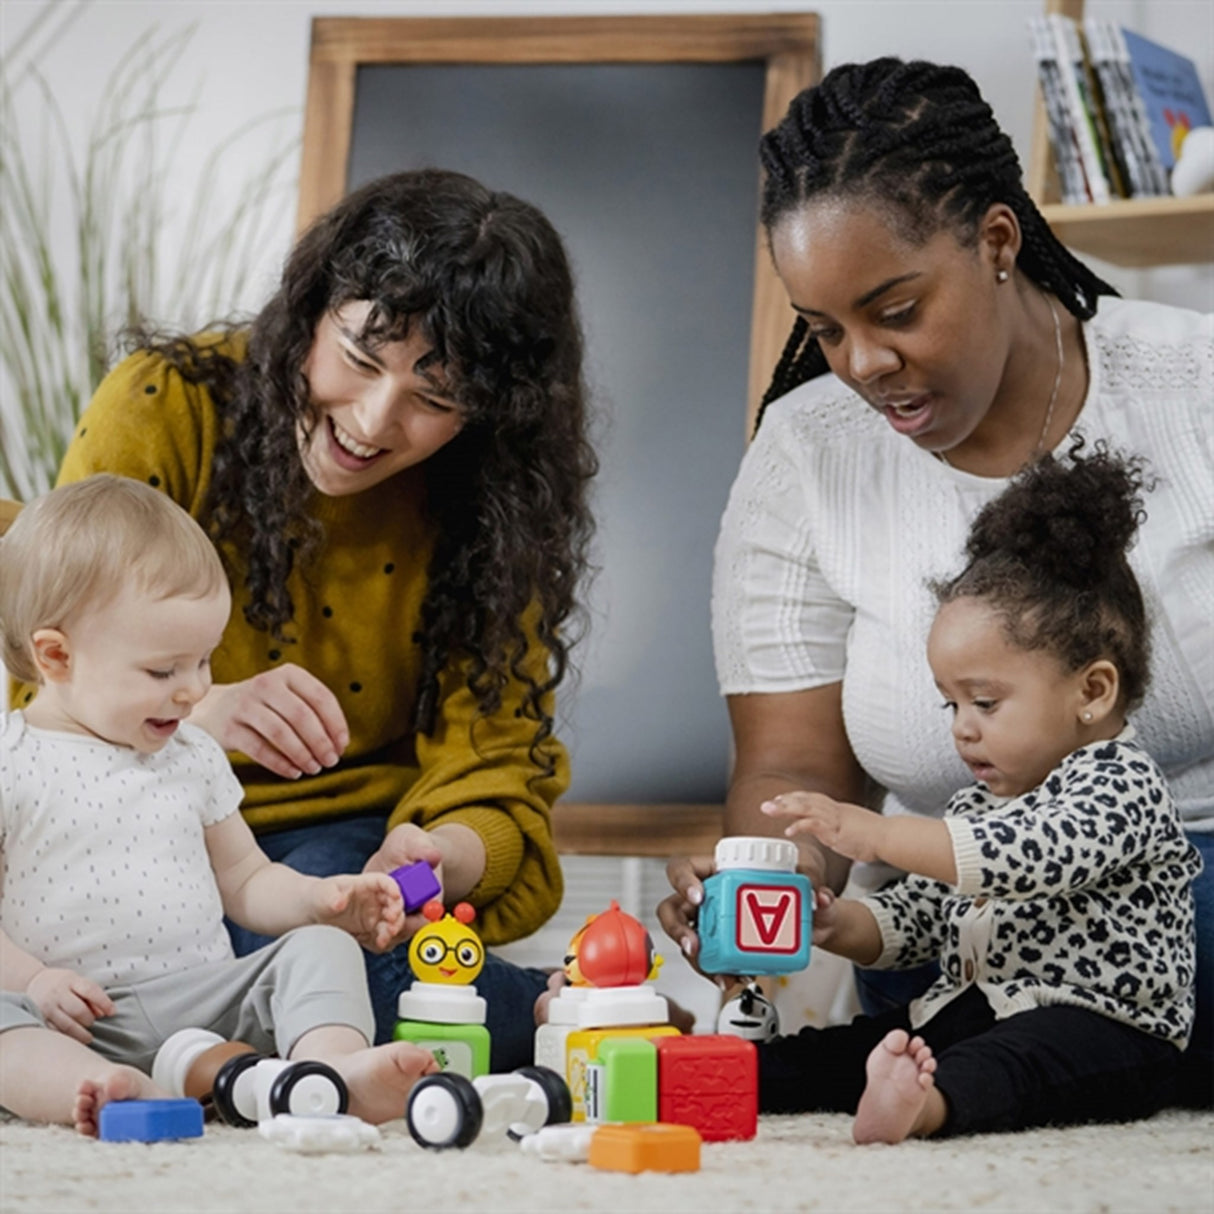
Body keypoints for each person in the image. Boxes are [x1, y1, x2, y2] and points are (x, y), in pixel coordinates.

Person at [657, 58, 1213, 1105]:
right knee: (896, 999)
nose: (861, 363)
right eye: (823, 328)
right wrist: (765, 887)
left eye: (895, 309)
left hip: (1181, 901)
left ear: (996, 241)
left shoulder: (1191, 386)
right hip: (952, 922)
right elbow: (789, 768)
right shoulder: (804, 450)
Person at [11, 169, 598, 1065]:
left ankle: (569, 1011)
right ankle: (534, 1012)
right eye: (360, 360)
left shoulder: (493, 499)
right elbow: (46, 645)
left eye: (433, 400)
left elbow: (498, 769)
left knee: (338, 947)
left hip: (339, 849)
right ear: (311, 308)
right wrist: (193, 712)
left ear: (487, 415)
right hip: (133, 823)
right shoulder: (167, 407)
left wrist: (436, 856)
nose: (372, 420)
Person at [751, 446, 1200, 1141]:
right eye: (950, 705)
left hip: (1107, 1031)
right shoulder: (976, 808)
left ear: (1093, 690)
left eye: (985, 702)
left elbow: (1025, 856)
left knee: (1009, 1064)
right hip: (976, 1010)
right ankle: (743, 1073)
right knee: (860, 1044)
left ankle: (927, 1109)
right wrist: (837, 925)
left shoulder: (1121, 786)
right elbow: (925, 915)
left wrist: (872, 835)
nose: (962, 730)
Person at [0, 476, 441, 1135]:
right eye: (163, 671)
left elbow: (247, 881)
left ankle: (329, 1074)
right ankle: (102, 1090)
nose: (194, 691)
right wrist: (35, 982)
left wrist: (322, 901)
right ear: (57, 656)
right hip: (66, 1018)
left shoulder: (191, 756)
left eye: (203, 661)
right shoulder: (12, 764)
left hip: (198, 1001)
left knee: (319, 949)